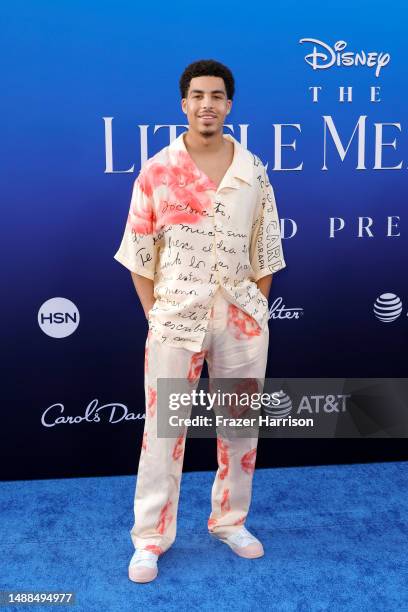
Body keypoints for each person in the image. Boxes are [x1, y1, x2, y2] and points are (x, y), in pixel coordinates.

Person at [114, 59, 286, 583]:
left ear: (229, 105)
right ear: (183, 105)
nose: (207, 104)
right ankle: (150, 539)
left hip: (240, 323)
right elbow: (139, 252)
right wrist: (155, 314)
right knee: (162, 435)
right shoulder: (158, 171)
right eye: (197, 95)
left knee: (239, 429)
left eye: (217, 95)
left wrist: (254, 313)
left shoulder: (252, 170)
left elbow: (266, 250)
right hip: (174, 321)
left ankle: (230, 521)